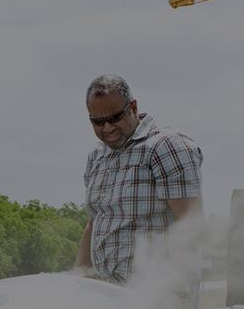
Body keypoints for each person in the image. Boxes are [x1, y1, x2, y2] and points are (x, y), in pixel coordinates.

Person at [75, 75, 203, 286]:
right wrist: (78, 278)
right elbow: (94, 223)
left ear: (133, 107)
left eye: (115, 118)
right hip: (107, 295)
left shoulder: (166, 146)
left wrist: (168, 292)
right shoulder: (96, 157)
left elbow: (191, 226)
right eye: (97, 122)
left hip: (156, 296)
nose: (107, 128)